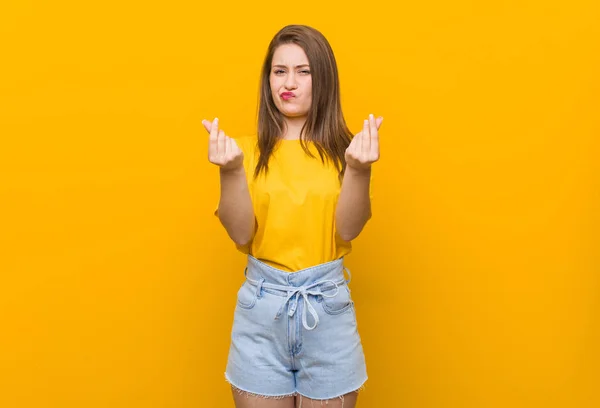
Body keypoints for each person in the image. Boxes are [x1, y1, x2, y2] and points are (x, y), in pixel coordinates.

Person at [202, 24, 383, 408]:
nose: (289, 82)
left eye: (304, 71)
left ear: (324, 79)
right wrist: (230, 171)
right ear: (267, 79)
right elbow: (240, 235)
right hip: (261, 310)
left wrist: (359, 170)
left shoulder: (348, 152)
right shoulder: (243, 152)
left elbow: (348, 229)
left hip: (327, 310)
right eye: (279, 70)